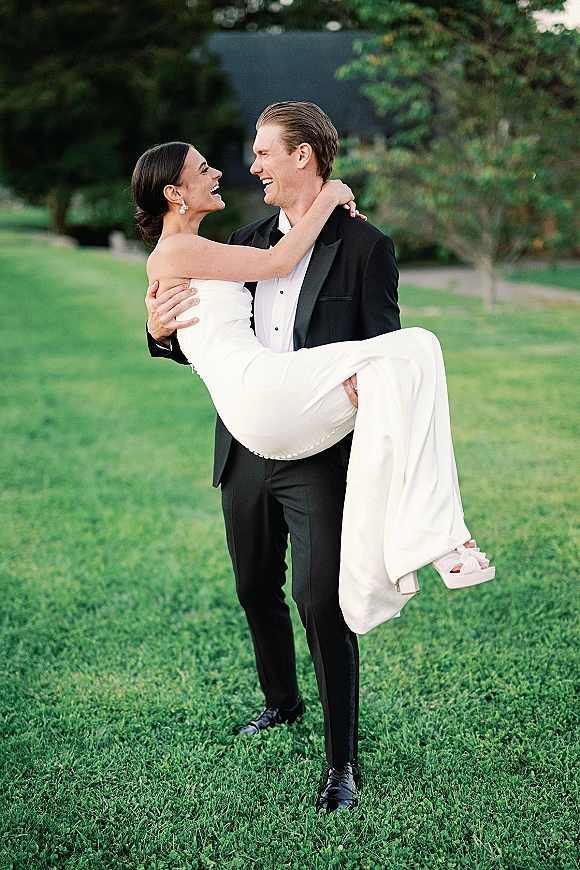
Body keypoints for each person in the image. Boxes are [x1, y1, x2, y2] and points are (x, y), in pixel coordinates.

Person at [141, 104, 494, 813]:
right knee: (252, 588)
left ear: (304, 155)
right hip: (243, 442)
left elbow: (378, 341)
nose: (250, 167)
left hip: (316, 450)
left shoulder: (365, 247)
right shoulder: (241, 239)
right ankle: (282, 701)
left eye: (264, 152)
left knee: (319, 602)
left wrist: (370, 393)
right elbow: (192, 327)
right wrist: (154, 328)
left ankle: (342, 764)